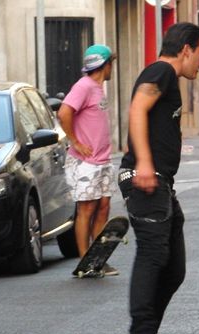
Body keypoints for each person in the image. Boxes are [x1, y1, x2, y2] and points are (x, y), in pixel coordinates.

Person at [118, 22, 199, 334]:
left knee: (174, 267)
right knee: (154, 253)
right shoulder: (162, 71)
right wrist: (143, 162)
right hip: (147, 179)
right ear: (186, 49)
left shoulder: (166, 77)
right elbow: (137, 109)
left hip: (160, 183)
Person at [58, 44, 118, 276]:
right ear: (105, 65)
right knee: (87, 208)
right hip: (86, 162)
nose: (112, 67)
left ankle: (97, 259)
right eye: (111, 63)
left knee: (103, 207)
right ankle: (85, 262)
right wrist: (75, 142)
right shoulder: (83, 86)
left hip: (102, 159)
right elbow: (63, 113)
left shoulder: (97, 88)